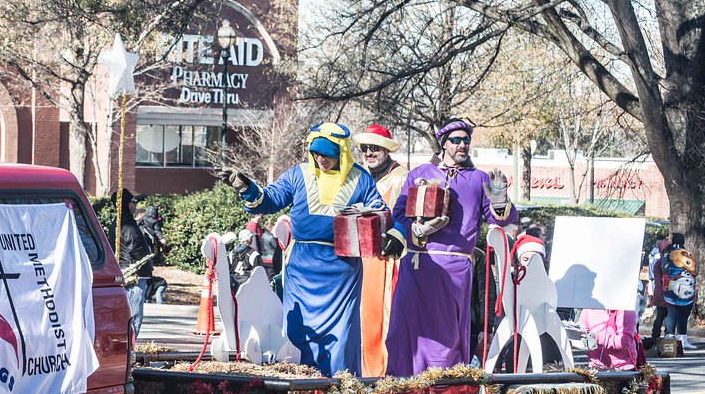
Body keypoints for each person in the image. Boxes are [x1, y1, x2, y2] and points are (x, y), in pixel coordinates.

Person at [216, 122, 399, 377]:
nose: (320, 158)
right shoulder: (298, 174)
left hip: (342, 271)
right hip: (302, 268)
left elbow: (382, 212)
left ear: (341, 152)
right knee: (298, 334)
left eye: (326, 153)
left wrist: (392, 233)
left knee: (341, 338)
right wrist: (246, 187)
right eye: (316, 153)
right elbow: (269, 200)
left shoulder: (361, 178)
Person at [386, 118, 519, 377]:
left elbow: (502, 219)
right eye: (456, 140)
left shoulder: (479, 179)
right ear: (444, 144)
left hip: (454, 269)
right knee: (404, 331)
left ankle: (442, 393)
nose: (462, 145)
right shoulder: (419, 174)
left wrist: (500, 197)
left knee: (444, 338)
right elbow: (398, 213)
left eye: (466, 140)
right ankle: (401, 388)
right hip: (417, 264)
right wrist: (417, 230)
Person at [354, 123, 409, 377]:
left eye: (374, 148)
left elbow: (407, 219)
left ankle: (384, 378)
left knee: (385, 322)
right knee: (364, 321)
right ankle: (364, 375)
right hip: (363, 260)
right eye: (365, 149)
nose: (369, 153)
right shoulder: (360, 178)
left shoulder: (401, 177)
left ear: (386, 150)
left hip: (390, 261)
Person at [112, 189, 154, 338]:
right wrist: (145, 263)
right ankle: (130, 350)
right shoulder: (128, 224)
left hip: (124, 270)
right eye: (133, 202)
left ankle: (128, 349)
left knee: (128, 315)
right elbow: (135, 246)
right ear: (125, 203)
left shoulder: (116, 223)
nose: (136, 205)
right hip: (133, 274)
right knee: (134, 315)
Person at [662, 232, 697, 349]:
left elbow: (663, 268)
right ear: (683, 242)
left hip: (669, 288)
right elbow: (695, 270)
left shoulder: (667, 253)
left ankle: (669, 338)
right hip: (686, 292)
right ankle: (683, 339)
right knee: (683, 315)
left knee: (671, 314)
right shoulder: (687, 254)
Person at [646, 236, 669, 345]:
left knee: (660, 317)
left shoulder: (658, 263)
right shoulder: (664, 263)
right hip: (665, 293)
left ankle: (656, 336)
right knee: (667, 317)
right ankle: (666, 336)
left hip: (659, 294)